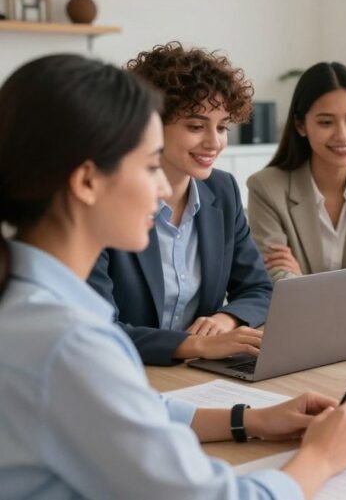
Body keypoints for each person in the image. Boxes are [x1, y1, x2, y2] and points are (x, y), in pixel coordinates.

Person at [0, 54, 346, 499]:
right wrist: (320, 459)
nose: (160, 189)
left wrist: (249, 419)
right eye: (151, 165)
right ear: (87, 182)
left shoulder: (30, 306)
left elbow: (133, 409)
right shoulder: (69, 344)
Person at [87, 42, 270, 366]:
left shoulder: (222, 190)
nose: (214, 142)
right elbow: (95, 330)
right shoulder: (107, 199)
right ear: (151, 124)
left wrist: (228, 319)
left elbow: (259, 289)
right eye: (196, 126)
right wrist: (192, 345)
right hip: (123, 373)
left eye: (223, 127)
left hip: (197, 377)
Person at [247, 62, 346, 293]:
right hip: (301, 321)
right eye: (326, 122)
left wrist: (304, 280)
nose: (342, 135)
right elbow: (276, 275)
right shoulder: (267, 187)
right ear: (301, 125)